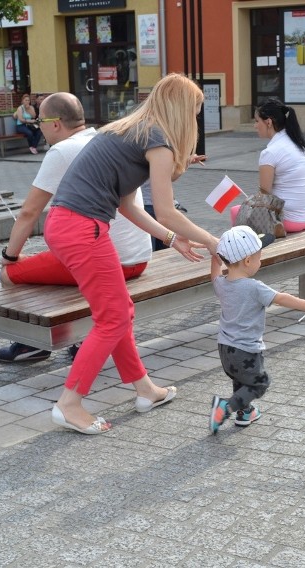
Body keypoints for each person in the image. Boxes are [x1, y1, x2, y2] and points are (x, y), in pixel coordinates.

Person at [44, 73, 220, 434]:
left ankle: (145, 390)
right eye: (196, 113)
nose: (196, 121)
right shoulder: (157, 140)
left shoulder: (129, 131)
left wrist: (172, 239)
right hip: (83, 229)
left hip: (68, 225)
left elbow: (128, 206)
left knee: (118, 311)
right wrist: (218, 244)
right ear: (183, 110)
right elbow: (167, 211)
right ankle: (69, 403)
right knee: (113, 317)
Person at [0, 92, 153, 363]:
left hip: (113, 259)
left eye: (40, 120)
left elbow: (29, 212)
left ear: (55, 123)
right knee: (59, 264)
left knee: (10, 276)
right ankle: (79, 337)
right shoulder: (105, 139)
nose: (39, 126)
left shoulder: (62, 150)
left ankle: (32, 344)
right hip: (140, 256)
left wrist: (10, 257)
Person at [208, 225, 305, 434]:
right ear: (248, 261)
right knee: (260, 383)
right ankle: (227, 407)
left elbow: (214, 275)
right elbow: (281, 298)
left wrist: (214, 259)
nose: (261, 261)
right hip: (246, 350)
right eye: (259, 257)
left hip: (225, 349)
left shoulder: (222, 284)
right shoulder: (254, 287)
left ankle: (245, 412)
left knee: (242, 380)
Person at [230, 98, 305, 233]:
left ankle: (247, 253)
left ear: (268, 122)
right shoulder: (300, 145)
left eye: (257, 121)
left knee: (236, 211)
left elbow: (265, 195)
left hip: (288, 221)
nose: (255, 126)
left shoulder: (270, 152)